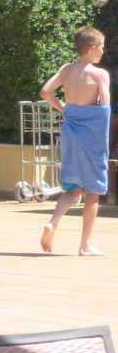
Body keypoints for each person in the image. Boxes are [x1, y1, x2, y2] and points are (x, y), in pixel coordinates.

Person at [39, 26, 112, 255]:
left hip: (71, 133)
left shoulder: (67, 70)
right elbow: (104, 110)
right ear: (92, 48)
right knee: (93, 191)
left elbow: (45, 92)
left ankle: (53, 222)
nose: (103, 51)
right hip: (92, 137)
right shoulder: (100, 75)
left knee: (73, 187)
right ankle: (85, 245)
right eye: (101, 47)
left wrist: (64, 109)